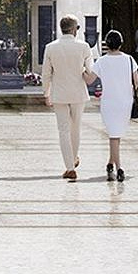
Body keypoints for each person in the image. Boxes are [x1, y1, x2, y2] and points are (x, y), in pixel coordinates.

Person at [39, 15, 94, 180]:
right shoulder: (84, 47)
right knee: (75, 128)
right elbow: (90, 71)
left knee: (63, 130)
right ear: (74, 29)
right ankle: (74, 157)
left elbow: (46, 74)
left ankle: (70, 167)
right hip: (78, 93)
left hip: (59, 94)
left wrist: (46, 93)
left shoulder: (50, 47)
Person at [92, 29, 138, 182]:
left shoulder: (101, 61)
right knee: (116, 135)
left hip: (109, 102)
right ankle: (110, 163)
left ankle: (119, 168)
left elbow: (89, 79)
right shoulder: (130, 60)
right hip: (125, 101)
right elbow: (136, 82)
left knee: (114, 135)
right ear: (121, 43)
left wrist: (80, 69)